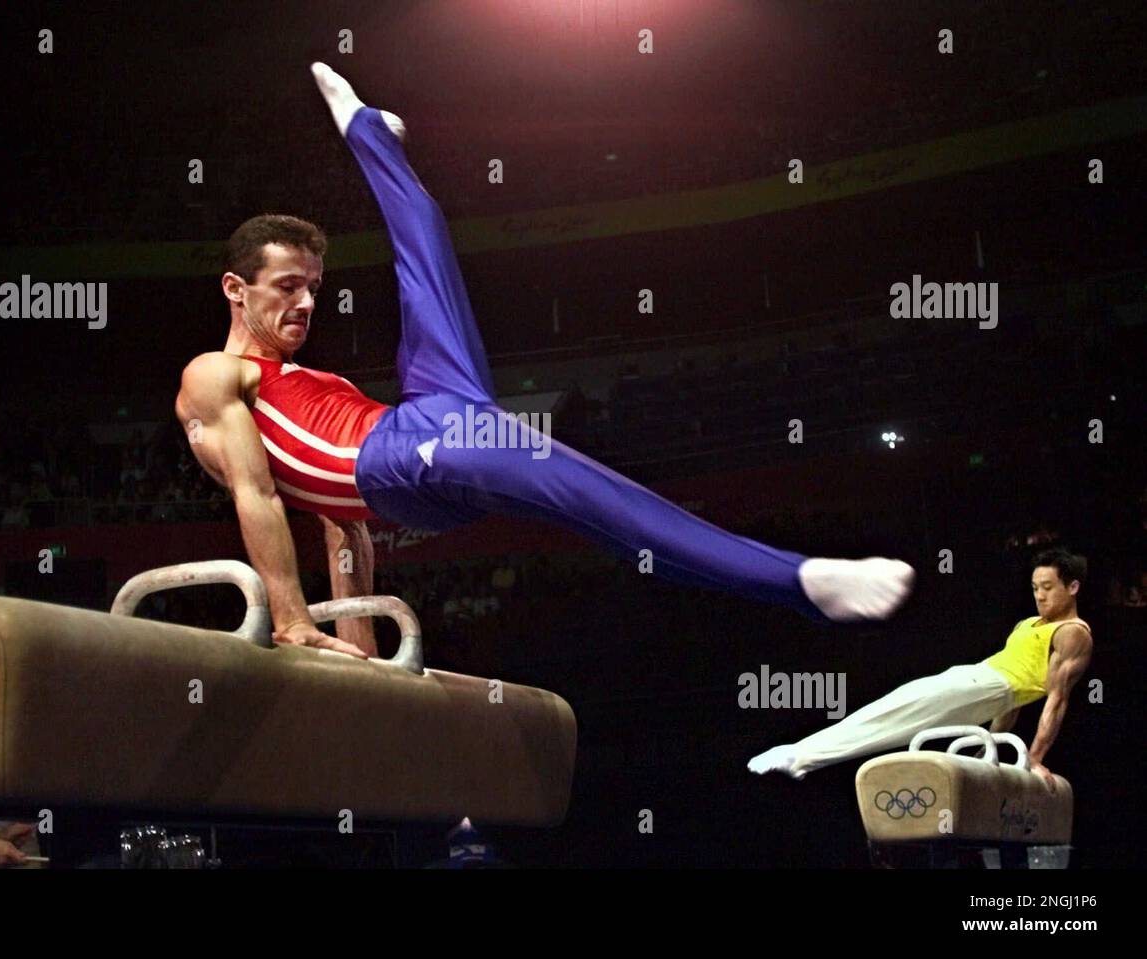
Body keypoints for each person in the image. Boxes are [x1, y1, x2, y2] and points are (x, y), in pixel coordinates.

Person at [174, 63, 915, 660]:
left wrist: (360, 641)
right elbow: (260, 496)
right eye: (287, 287)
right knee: (589, 493)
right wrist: (294, 621)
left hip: (424, 427)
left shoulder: (319, 379)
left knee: (428, 255)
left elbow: (346, 528)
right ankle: (802, 581)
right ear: (236, 289)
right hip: (408, 458)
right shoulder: (215, 376)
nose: (307, 304)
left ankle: (368, 132)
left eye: (314, 287)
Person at [748, 548, 1093, 788]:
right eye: (1035, 588)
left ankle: (799, 757)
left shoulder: (1072, 634)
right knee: (895, 710)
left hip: (989, 686)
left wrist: (1034, 757)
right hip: (976, 679)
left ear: (1073, 587)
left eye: (1048, 588)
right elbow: (1012, 705)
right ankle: (801, 756)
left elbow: (1056, 700)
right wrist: (985, 752)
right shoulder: (1028, 623)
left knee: (897, 716)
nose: (1040, 596)